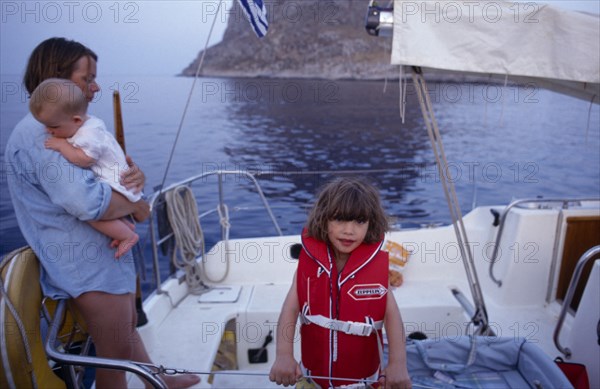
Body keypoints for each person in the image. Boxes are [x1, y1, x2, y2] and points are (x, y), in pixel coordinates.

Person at [5, 37, 200, 388]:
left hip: (101, 260)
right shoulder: (42, 135)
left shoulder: (70, 130)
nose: (95, 87)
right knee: (114, 358)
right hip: (87, 266)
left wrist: (135, 179)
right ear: (57, 77)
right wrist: (137, 204)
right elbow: (87, 202)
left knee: (123, 334)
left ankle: (159, 379)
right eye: (87, 78)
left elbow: (106, 180)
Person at [269, 177, 412, 389]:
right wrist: (284, 355)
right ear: (323, 219)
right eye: (339, 220)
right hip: (312, 380)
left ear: (371, 223)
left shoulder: (375, 268)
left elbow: (393, 317)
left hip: (364, 383)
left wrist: (398, 364)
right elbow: (290, 310)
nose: (349, 230)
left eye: (359, 221)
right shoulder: (307, 265)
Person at [30, 78, 139, 258]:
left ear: (76, 120)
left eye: (53, 127)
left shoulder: (88, 135)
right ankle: (126, 227)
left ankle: (127, 235)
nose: (48, 130)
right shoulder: (89, 123)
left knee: (91, 216)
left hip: (115, 183)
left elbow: (86, 160)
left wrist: (62, 146)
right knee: (98, 211)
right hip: (117, 179)